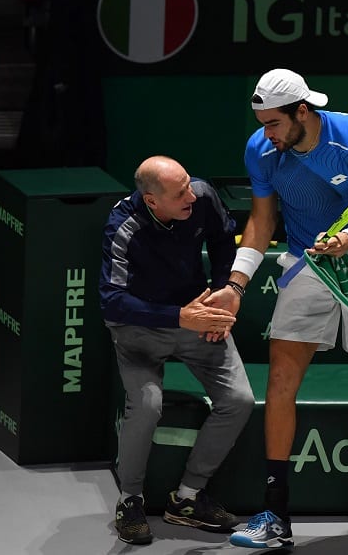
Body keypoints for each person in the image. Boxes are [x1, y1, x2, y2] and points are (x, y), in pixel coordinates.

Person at [214, 69, 348, 549]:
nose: (267, 135)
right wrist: (237, 283)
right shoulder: (262, 151)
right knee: (281, 380)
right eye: (262, 124)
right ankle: (275, 511)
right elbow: (261, 220)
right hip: (308, 264)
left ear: (302, 112)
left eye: (274, 124)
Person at [99, 156, 255, 545]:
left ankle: (187, 497)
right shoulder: (123, 227)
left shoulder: (202, 195)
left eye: (188, 183)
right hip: (141, 328)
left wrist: (223, 293)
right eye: (180, 191)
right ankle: (130, 500)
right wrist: (178, 317)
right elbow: (111, 300)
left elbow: (223, 241)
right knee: (148, 404)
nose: (192, 193)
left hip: (199, 315)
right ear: (152, 201)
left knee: (239, 399)